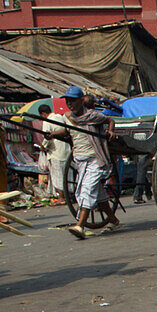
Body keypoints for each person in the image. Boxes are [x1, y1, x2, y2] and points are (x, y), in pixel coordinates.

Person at [46, 86, 120, 239]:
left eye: (72, 100)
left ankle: (80, 225)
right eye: (67, 101)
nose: (69, 104)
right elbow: (67, 131)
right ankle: (113, 220)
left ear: (81, 101)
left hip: (95, 159)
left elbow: (110, 120)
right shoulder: (68, 117)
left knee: (86, 189)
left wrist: (111, 131)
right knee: (97, 192)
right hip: (79, 160)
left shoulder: (93, 115)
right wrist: (52, 134)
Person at [40, 105, 70, 205]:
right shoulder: (59, 117)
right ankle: (68, 195)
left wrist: (43, 146)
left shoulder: (47, 121)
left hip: (56, 152)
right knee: (67, 174)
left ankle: (62, 197)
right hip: (66, 150)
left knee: (58, 176)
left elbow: (46, 136)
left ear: (43, 114)